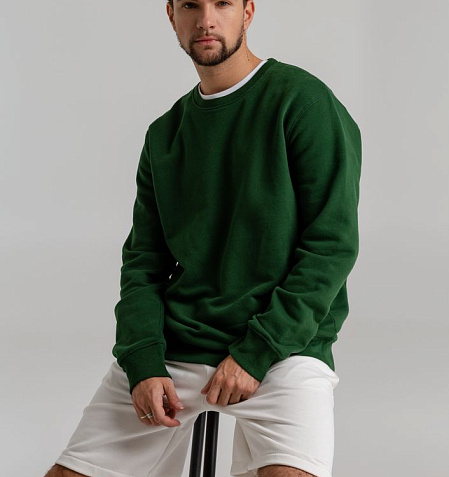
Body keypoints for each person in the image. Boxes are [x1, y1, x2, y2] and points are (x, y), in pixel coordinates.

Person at [44, 1, 362, 476]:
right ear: (171, 14)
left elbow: (331, 246)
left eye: (222, 3)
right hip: (178, 348)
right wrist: (142, 360)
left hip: (283, 351)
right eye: (191, 4)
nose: (206, 19)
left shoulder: (302, 102)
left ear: (248, 12)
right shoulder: (165, 135)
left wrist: (256, 353)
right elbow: (144, 263)